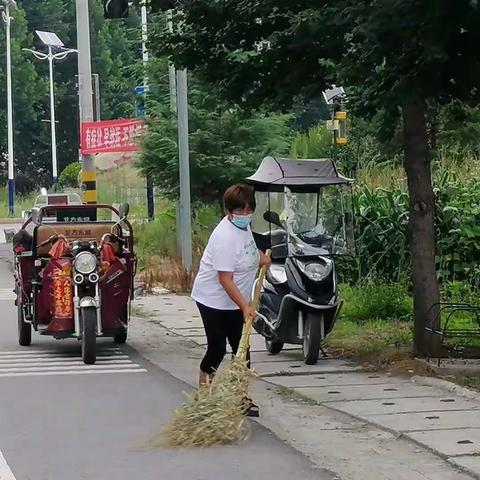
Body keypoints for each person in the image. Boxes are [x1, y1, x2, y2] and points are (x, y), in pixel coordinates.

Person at [191, 184, 271, 417]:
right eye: (240, 212)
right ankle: (204, 395)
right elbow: (225, 279)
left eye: (249, 211)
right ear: (228, 212)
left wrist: (261, 259)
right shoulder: (224, 237)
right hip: (214, 300)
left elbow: (246, 252)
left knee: (242, 348)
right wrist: (245, 306)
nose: (245, 216)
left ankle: (241, 398)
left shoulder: (243, 228)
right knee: (217, 348)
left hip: (238, 300)